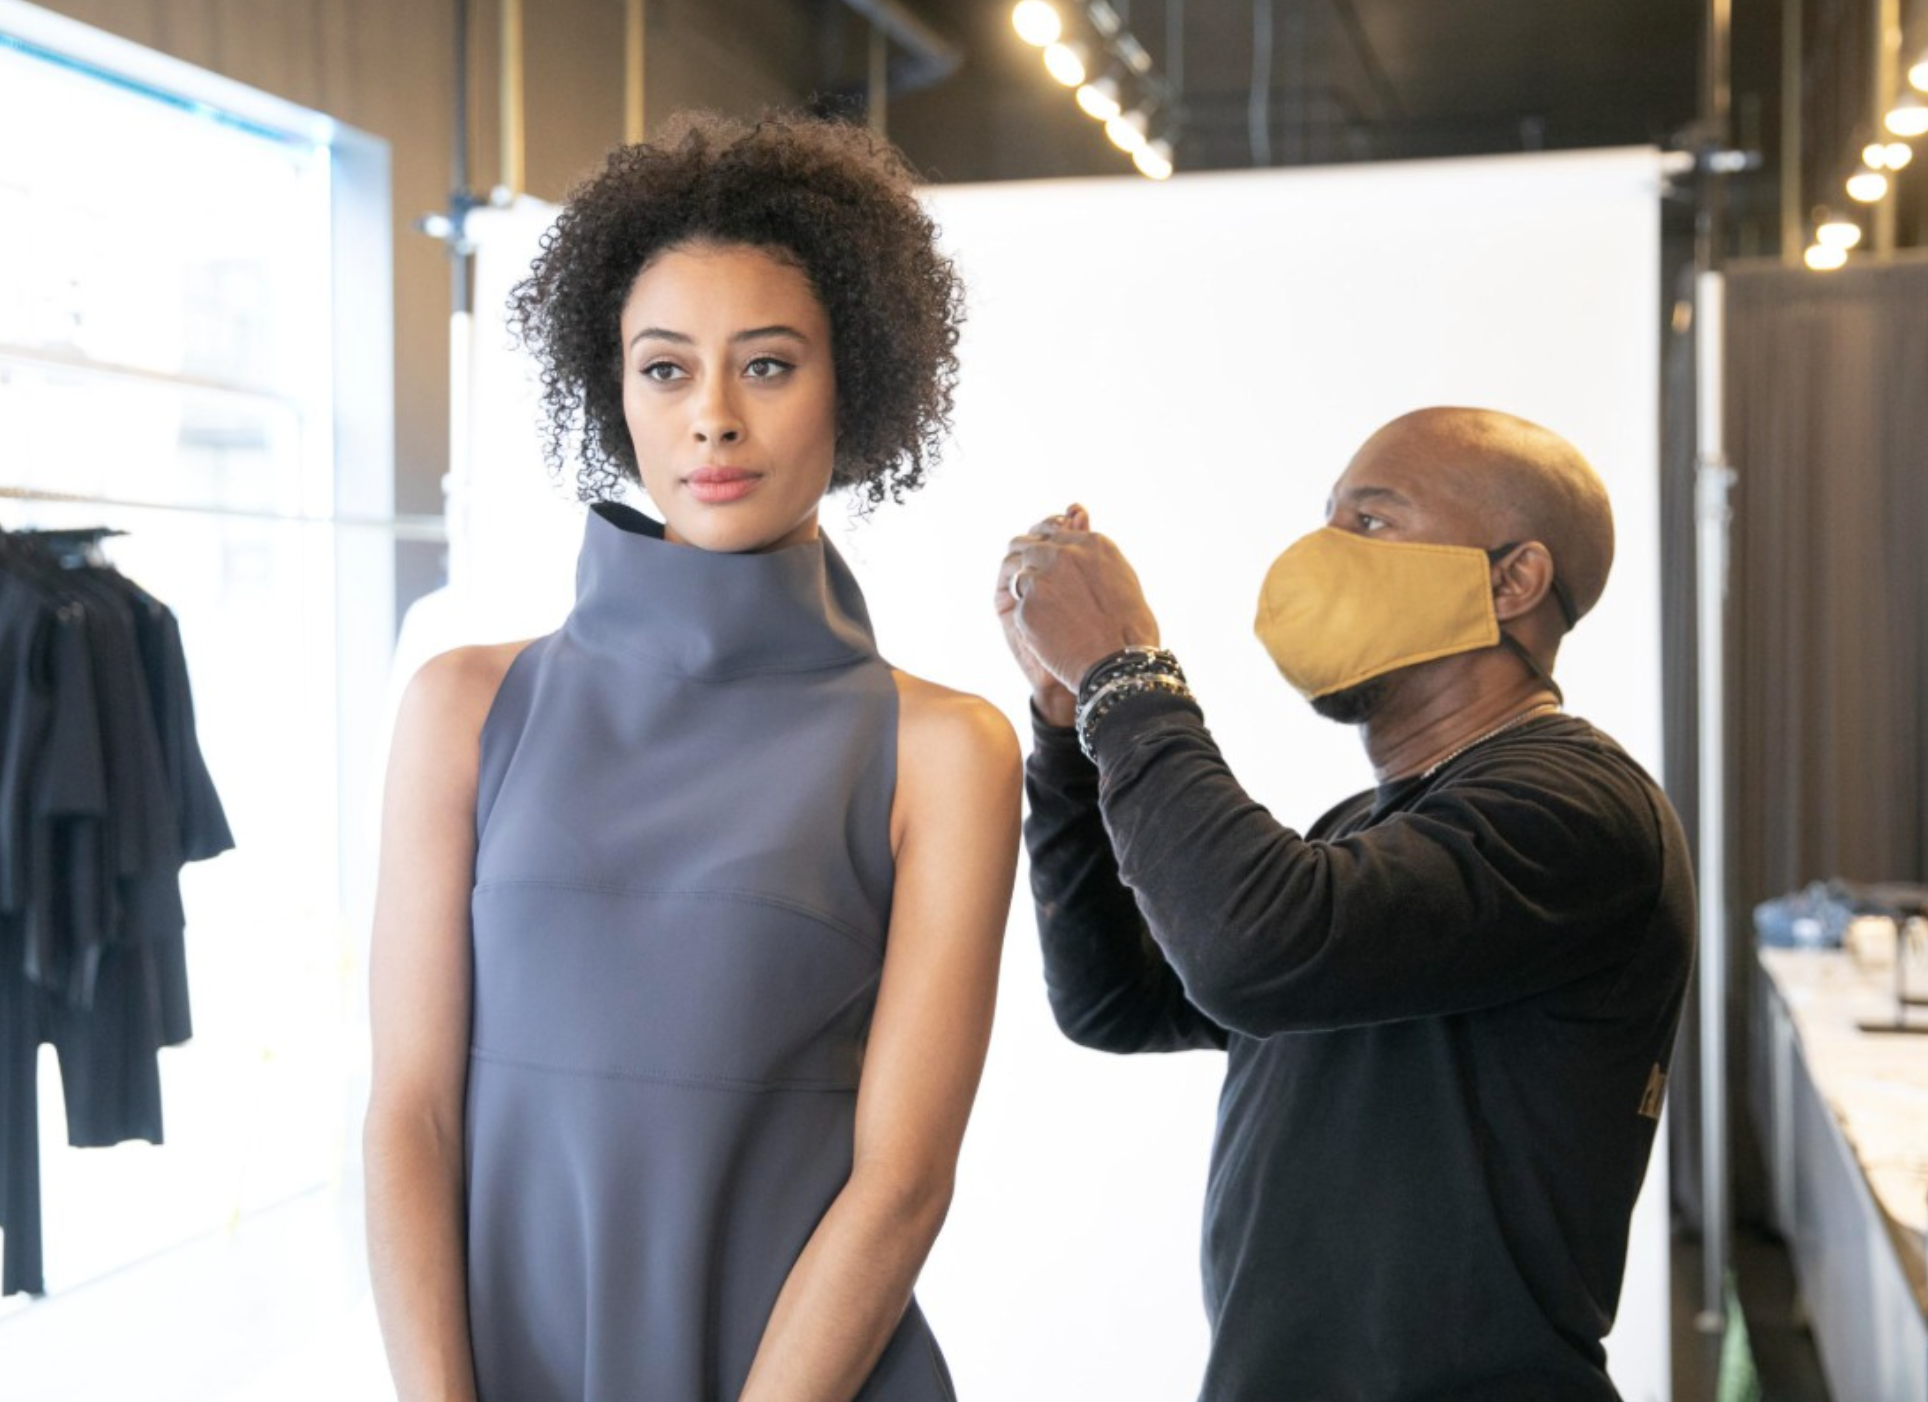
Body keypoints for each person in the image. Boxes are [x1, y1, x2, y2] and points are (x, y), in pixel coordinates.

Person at [365, 113, 1021, 1402]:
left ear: (856, 384)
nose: (712, 419)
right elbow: (410, 1114)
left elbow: (903, 1182)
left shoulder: (942, 753)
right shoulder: (463, 706)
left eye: (767, 365)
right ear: (613, 390)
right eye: (665, 370)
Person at [996, 407, 1694, 1402]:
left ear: (1512, 579)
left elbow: (1252, 939)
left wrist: (1123, 673)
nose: (1321, 556)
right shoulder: (1356, 832)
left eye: (1370, 523)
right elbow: (1115, 997)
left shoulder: (1576, 807)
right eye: (1326, 521)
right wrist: (1066, 727)